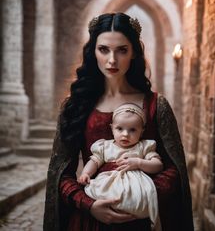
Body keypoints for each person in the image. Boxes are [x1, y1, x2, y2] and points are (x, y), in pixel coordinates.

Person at [43, 12, 194, 231]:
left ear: (133, 52)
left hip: (140, 221)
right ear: (93, 51)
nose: (112, 60)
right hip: (89, 222)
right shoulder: (75, 106)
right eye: (104, 49)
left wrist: (135, 197)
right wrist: (90, 204)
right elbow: (60, 175)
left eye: (122, 50)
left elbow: (174, 170)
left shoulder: (155, 105)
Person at [78, 103, 163, 228]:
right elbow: (94, 161)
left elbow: (158, 165)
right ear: (112, 128)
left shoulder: (143, 147)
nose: (125, 134)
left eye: (132, 130)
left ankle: (135, 211)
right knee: (92, 192)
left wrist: (139, 162)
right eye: (120, 129)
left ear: (142, 131)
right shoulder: (105, 147)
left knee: (145, 200)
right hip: (108, 183)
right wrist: (86, 173)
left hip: (136, 185)